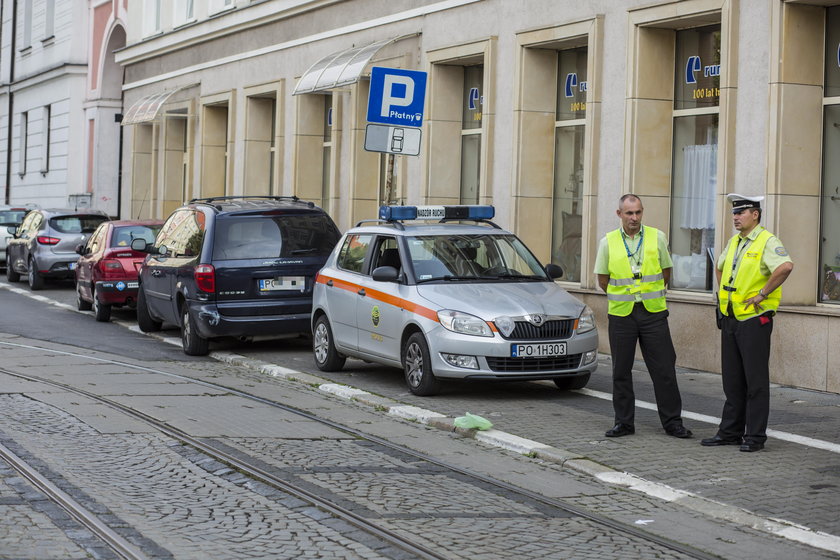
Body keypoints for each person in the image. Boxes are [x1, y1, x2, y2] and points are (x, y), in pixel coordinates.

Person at [594, 194, 692, 439]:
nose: (634, 218)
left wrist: (647, 294)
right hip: (622, 315)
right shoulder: (608, 242)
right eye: (629, 213)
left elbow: (666, 272)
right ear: (619, 214)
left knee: (664, 370)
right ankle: (624, 423)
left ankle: (672, 423)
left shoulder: (657, 237)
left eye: (638, 212)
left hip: (653, 313)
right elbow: (603, 280)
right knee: (621, 371)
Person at [701, 194, 793, 452]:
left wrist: (762, 294)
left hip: (754, 319)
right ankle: (730, 432)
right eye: (734, 213)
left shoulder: (767, 241)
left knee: (755, 382)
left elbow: (785, 267)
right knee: (732, 380)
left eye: (741, 212)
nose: (736, 217)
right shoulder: (734, 241)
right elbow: (719, 266)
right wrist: (723, 296)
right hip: (731, 317)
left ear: (756, 214)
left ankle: (754, 436)